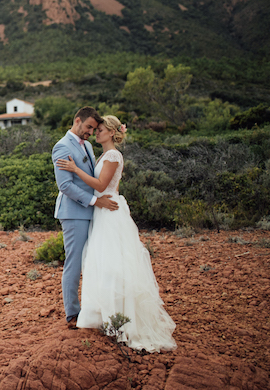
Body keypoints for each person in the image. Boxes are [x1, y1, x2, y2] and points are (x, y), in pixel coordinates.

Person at [56, 115, 177, 352]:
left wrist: (75, 170)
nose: (96, 132)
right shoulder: (101, 154)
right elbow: (110, 185)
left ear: (112, 132)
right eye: (94, 129)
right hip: (101, 210)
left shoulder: (112, 155)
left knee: (112, 263)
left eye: (100, 129)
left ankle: (118, 314)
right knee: (100, 262)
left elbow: (102, 185)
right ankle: (102, 313)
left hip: (107, 211)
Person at [52, 106, 118, 330]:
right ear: (77, 121)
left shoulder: (88, 146)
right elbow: (65, 185)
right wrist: (95, 201)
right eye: (88, 127)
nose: (91, 132)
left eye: (94, 129)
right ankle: (72, 313)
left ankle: (95, 309)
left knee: (94, 260)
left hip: (93, 212)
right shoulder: (62, 147)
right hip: (74, 213)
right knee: (74, 262)